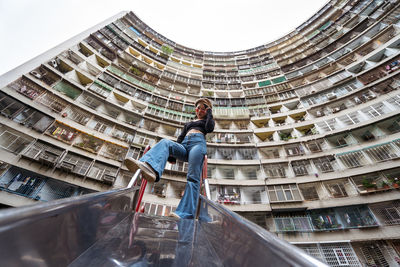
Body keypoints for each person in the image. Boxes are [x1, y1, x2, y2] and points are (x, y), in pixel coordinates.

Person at [125, 98, 214, 219]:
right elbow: (180, 138)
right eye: (197, 108)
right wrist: (173, 154)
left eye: (202, 108)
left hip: (197, 144)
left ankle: (184, 214)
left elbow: (209, 128)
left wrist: (209, 113)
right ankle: (150, 167)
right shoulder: (188, 124)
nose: (199, 110)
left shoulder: (207, 121)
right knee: (165, 143)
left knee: (193, 178)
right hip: (185, 144)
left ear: (207, 110)